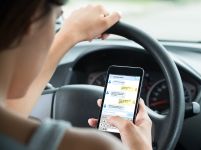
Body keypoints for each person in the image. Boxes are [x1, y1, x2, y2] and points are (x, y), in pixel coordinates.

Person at [0, 0, 152, 150]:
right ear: (31, 24)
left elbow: (11, 114)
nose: (56, 30)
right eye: (56, 21)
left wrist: (70, 34)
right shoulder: (96, 146)